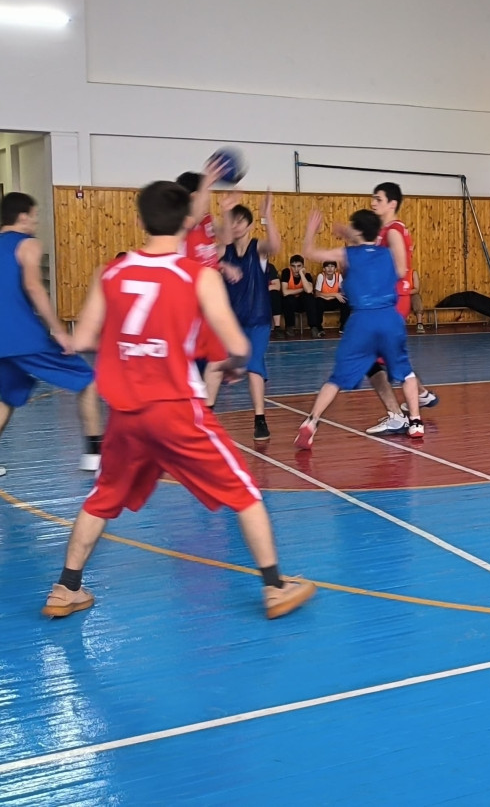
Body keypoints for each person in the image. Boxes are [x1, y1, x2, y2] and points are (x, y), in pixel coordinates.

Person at [41, 180, 314, 621]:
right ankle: (275, 587)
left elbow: (85, 338)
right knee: (245, 490)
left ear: (138, 220)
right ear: (189, 220)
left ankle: (65, 588)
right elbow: (237, 345)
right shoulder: (198, 275)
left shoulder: (112, 273)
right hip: (175, 409)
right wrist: (233, 364)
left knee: (102, 496)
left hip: (126, 414)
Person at [0, 192, 104, 482]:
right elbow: (34, 287)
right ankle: (95, 455)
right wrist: (58, 330)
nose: (36, 223)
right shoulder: (28, 244)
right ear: (23, 217)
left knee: (10, 394)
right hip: (21, 337)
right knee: (88, 381)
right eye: (35, 217)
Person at [294, 208, 425, 449]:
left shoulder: (347, 254)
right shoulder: (387, 254)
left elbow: (309, 253)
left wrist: (311, 231)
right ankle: (416, 422)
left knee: (336, 379)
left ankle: (311, 422)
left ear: (356, 231)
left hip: (361, 321)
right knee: (406, 372)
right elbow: (400, 270)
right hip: (389, 318)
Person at [359, 182, 439, 436]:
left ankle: (401, 416)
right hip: (389, 301)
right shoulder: (386, 231)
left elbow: (400, 269)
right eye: (373, 198)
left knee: (373, 359)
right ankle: (420, 396)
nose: (373, 203)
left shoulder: (393, 230)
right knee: (389, 357)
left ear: (392, 203)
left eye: (378, 199)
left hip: (393, 301)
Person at [204, 196, 280, 440]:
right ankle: (206, 415)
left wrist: (267, 216)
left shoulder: (257, 248)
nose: (236, 226)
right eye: (232, 221)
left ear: (249, 225)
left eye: (240, 222)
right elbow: (200, 263)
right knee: (216, 363)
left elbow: (275, 246)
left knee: (255, 365)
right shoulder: (221, 252)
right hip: (230, 323)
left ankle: (260, 419)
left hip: (258, 320)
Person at [175, 164, 230, 405]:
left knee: (218, 359)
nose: (209, 197)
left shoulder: (208, 219)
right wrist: (207, 182)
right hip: (187, 299)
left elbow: (226, 240)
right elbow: (194, 216)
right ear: (193, 196)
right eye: (205, 193)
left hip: (210, 300)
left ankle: (206, 413)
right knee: (185, 362)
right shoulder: (180, 220)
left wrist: (226, 212)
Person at [308, 258, 349, 336]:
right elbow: (317, 294)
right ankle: (319, 328)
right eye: (327, 266)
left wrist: (334, 296)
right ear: (324, 269)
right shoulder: (321, 276)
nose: (330, 269)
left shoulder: (338, 276)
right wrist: (334, 294)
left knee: (345, 301)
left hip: (333, 300)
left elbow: (342, 292)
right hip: (324, 301)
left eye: (332, 266)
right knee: (318, 301)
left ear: (335, 269)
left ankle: (343, 326)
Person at [278, 255, 310, 335]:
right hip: (289, 303)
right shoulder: (286, 272)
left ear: (303, 266)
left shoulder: (307, 275)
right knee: (288, 298)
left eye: (299, 266)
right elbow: (285, 292)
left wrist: (301, 274)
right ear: (290, 266)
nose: (296, 269)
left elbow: (309, 290)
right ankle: (289, 327)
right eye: (293, 266)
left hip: (302, 304)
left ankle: (314, 327)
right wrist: (303, 289)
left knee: (309, 297)